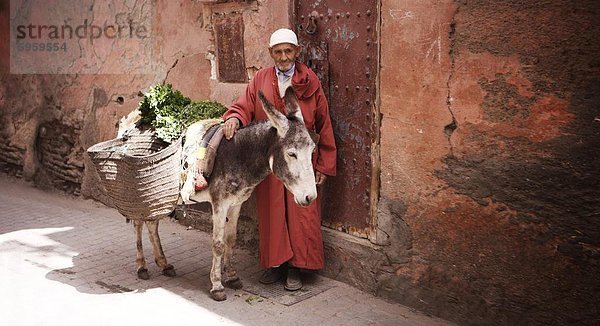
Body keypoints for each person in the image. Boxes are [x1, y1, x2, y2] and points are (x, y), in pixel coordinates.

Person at [222, 28, 337, 291]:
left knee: (301, 212)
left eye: (288, 51)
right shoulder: (261, 78)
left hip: (300, 159)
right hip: (273, 158)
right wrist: (234, 118)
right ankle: (276, 264)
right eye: (278, 52)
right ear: (271, 53)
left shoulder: (310, 80)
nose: (283, 57)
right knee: (272, 212)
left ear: (296, 52)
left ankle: (296, 267)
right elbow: (245, 104)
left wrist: (324, 164)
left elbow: (324, 122)